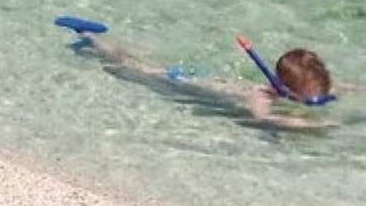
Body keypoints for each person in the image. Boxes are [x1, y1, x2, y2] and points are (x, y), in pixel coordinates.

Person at [58, 18, 335, 129]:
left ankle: (95, 41)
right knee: (132, 67)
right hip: (183, 80)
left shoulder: (290, 88)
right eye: (310, 97)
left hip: (201, 75)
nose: (315, 99)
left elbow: (328, 87)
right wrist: (301, 124)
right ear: (287, 89)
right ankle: (89, 38)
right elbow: (261, 117)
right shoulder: (260, 94)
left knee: (137, 61)